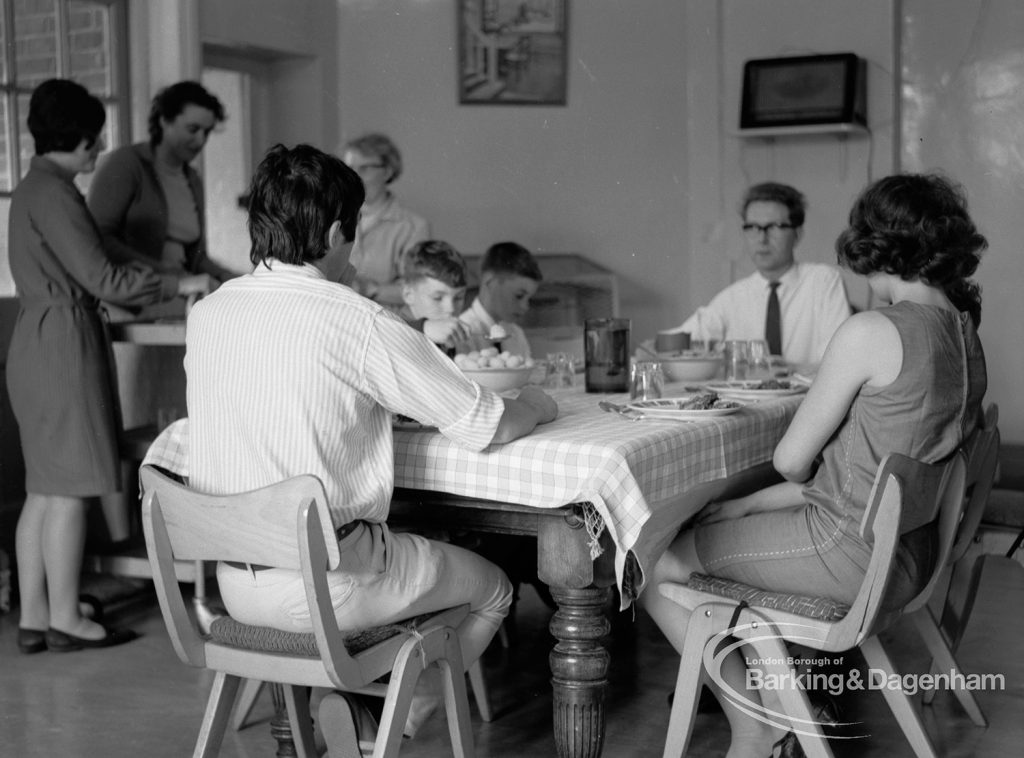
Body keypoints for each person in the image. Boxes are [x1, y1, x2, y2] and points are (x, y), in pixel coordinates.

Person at [184, 144, 558, 739]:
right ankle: (389, 715)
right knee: (493, 589)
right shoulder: (359, 321)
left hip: (235, 581)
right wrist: (536, 402)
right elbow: (486, 424)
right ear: (336, 231)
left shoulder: (207, 314)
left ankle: (356, 707)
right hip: (331, 588)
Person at [640, 172, 987, 758]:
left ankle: (760, 721)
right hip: (906, 557)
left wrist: (749, 497)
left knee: (652, 564)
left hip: (845, 557)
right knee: (720, 528)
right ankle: (788, 701)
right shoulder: (964, 330)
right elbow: (865, 477)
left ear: (872, 244)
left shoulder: (873, 331)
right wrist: (747, 503)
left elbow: (792, 461)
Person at [7, 79, 214, 654]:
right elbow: (101, 275)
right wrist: (177, 282)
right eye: (93, 141)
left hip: (35, 338)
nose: (99, 152)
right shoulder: (56, 194)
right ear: (75, 136)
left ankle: (38, 616)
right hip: (64, 341)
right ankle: (67, 618)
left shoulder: (33, 188)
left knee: (45, 492)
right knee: (70, 490)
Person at [671, 182, 851, 370]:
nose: (762, 239)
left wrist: (789, 368)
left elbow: (839, 364)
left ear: (797, 233)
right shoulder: (733, 297)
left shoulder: (823, 281)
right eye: (753, 227)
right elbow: (678, 339)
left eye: (773, 227)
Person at [87, 80, 234, 283]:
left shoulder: (192, 178)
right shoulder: (127, 164)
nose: (200, 140)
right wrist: (160, 269)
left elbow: (196, 257)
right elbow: (98, 237)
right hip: (138, 291)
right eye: (193, 129)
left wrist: (229, 277)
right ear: (164, 121)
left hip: (180, 288)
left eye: (206, 132)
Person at [340, 133, 429, 307]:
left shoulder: (413, 227)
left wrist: (370, 289)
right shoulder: (331, 217)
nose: (353, 175)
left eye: (364, 168)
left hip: (386, 322)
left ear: (387, 172)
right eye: (348, 168)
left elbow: (419, 289)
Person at [460, 241, 542, 359]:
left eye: (529, 299)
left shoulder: (516, 334)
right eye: (519, 296)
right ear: (491, 283)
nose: (525, 306)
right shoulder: (462, 334)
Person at [398, 239, 472, 353]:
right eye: (437, 298)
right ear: (408, 294)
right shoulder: (388, 330)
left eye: (458, 297)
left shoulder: (446, 338)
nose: (451, 309)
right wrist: (423, 328)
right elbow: (386, 333)